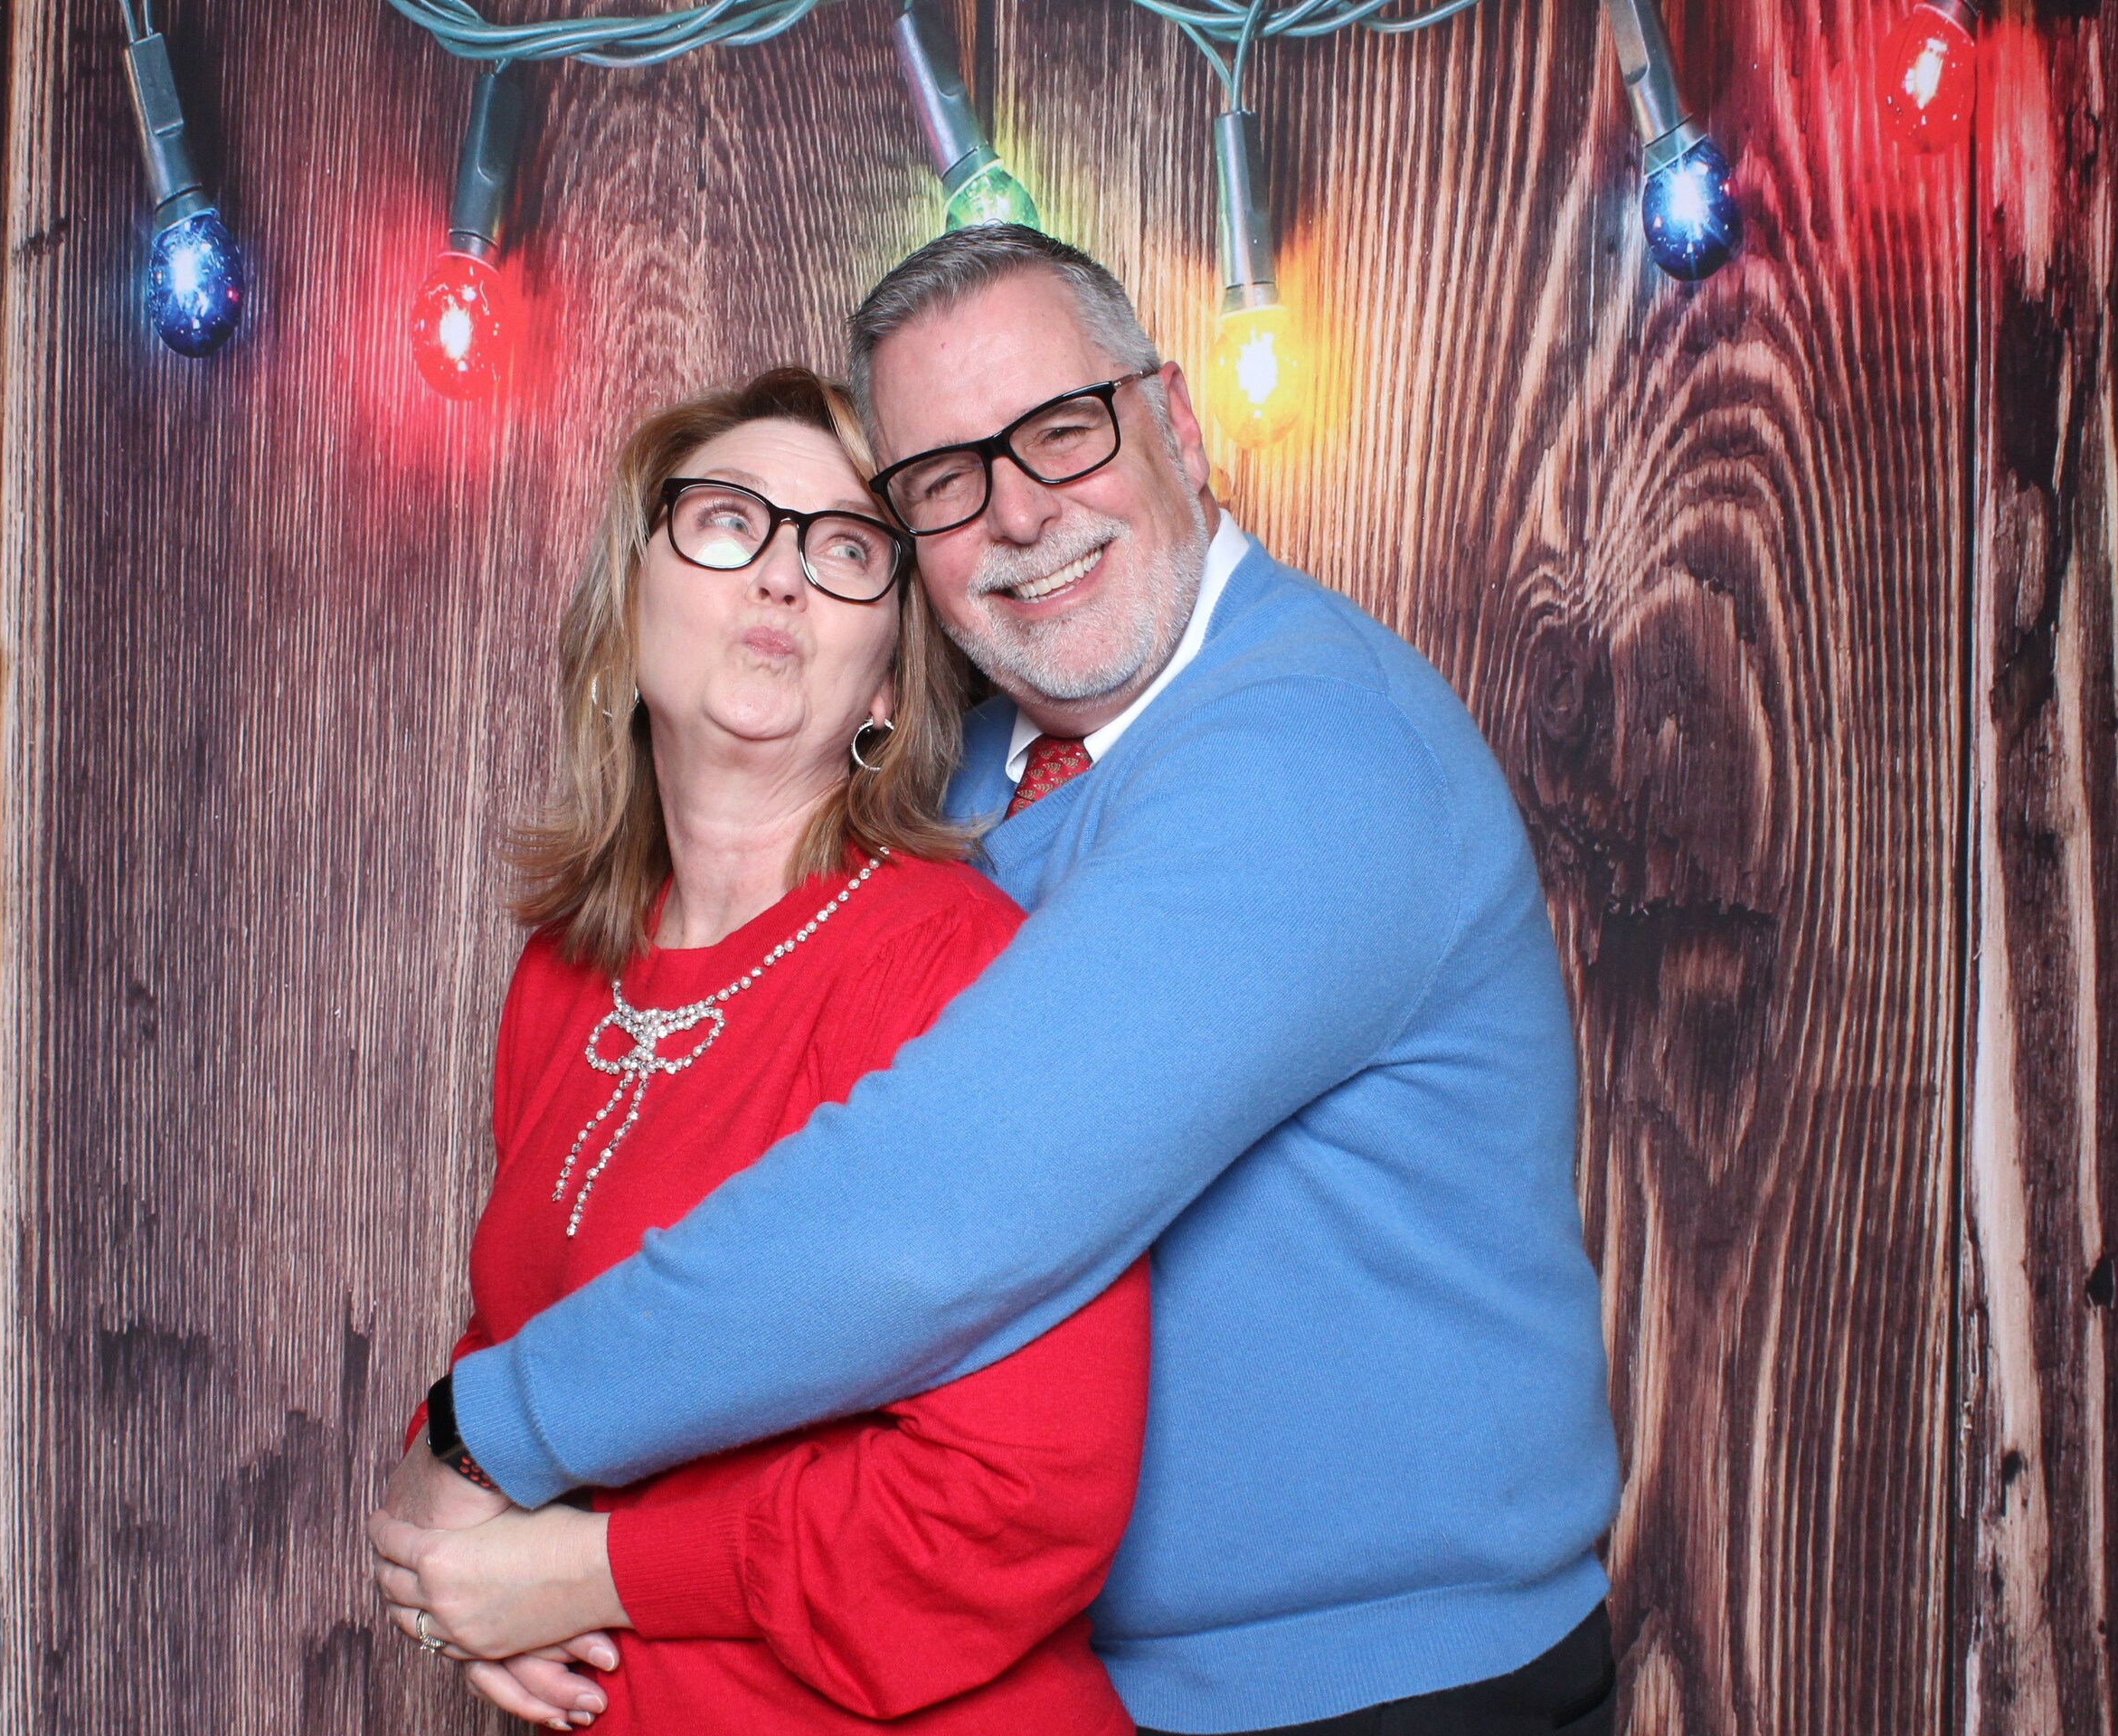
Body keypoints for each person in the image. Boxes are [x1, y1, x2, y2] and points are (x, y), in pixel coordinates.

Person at [377, 228, 1622, 1736]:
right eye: (947, 481)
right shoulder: (952, 789)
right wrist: (497, 1565)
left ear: (1177, 421)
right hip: (1117, 1684)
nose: (1023, 511)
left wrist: (497, 1443)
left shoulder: (1314, 755)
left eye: (1064, 429)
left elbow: (941, 1216)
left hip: (1388, 1686)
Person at [369, 365, 1151, 1733]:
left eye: (845, 550)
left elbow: (1015, 1502)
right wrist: (451, 1560)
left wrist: (592, 1573)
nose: (783, 576)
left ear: (888, 678)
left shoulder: (956, 970)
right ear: (632, 606)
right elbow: (526, 1333)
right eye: (728, 521)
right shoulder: (565, 973)